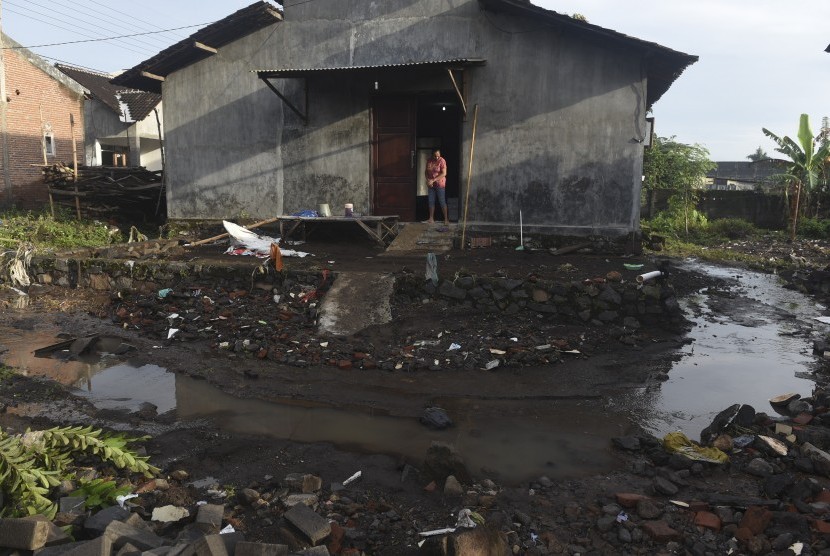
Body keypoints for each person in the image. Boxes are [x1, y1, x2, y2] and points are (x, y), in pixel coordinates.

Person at [424, 148, 449, 225]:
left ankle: (446, 219)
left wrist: (433, 180)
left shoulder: (442, 161)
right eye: (435, 156)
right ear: (432, 155)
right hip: (431, 185)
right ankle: (431, 218)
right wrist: (428, 180)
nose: (437, 157)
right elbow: (426, 172)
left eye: (438, 156)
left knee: (442, 201)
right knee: (431, 201)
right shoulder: (429, 160)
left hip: (440, 184)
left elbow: (444, 173)